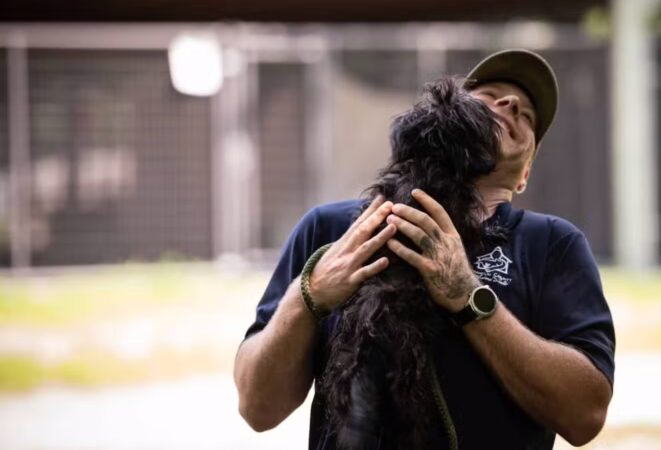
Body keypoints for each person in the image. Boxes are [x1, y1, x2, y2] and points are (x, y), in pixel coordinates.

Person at [234, 49, 615, 450]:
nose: (511, 104)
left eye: (527, 116)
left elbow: (585, 416)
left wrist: (468, 299)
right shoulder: (331, 230)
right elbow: (257, 407)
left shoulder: (552, 244)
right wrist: (309, 293)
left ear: (525, 174)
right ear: (447, 118)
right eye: (489, 95)